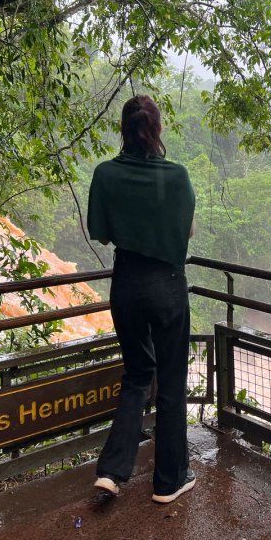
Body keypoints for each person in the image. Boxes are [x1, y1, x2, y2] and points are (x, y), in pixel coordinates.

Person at [86, 94, 196, 504]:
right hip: (167, 284)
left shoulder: (105, 174)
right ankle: (169, 481)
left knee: (136, 374)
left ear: (123, 129)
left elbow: (100, 231)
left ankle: (113, 472)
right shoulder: (178, 177)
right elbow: (186, 233)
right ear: (158, 129)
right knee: (170, 380)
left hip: (127, 282)